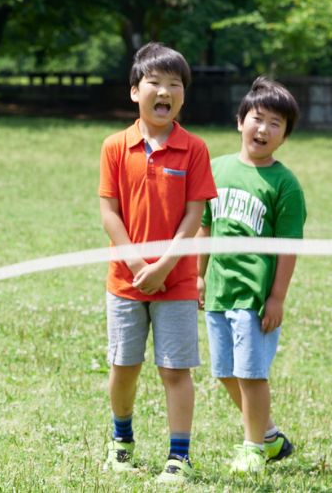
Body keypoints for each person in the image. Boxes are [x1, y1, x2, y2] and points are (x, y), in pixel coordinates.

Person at [98, 42, 217, 484]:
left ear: (183, 95)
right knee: (124, 365)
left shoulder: (195, 150)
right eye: (155, 82)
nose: (165, 91)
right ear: (135, 91)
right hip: (124, 280)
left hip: (179, 281)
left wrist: (165, 265)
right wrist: (133, 261)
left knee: (174, 369)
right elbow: (109, 210)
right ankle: (121, 440)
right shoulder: (114, 146)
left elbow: (195, 215)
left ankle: (178, 457)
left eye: (175, 84)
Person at [197, 77, 305, 473]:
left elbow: (288, 247)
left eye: (276, 124)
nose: (264, 129)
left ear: (285, 136)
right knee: (225, 372)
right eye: (258, 119)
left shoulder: (284, 184)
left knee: (251, 374)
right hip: (220, 292)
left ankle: (253, 448)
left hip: (254, 298)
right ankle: (271, 437)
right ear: (240, 120)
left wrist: (276, 297)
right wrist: (199, 276)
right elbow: (204, 227)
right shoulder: (216, 169)